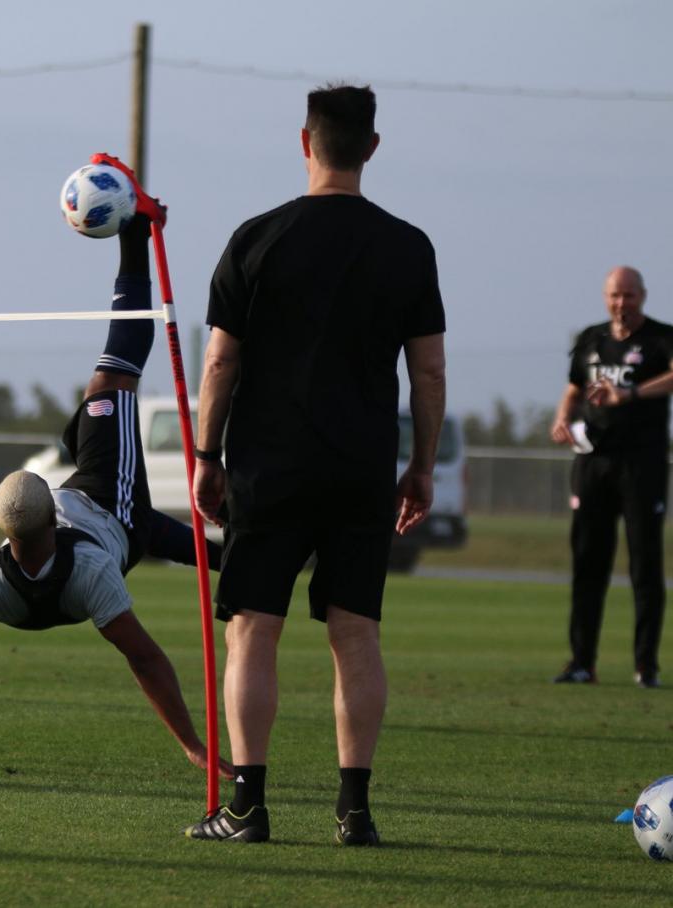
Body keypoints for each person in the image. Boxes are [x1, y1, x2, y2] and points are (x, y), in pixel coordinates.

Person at [0, 204, 232, 780]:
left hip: (99, 511)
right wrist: (194, 748)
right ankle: (134, 232)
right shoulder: (88, 572)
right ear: (51, 518)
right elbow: (146, 658)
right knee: (115, 374)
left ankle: (241, 552)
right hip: (111, 510)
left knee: (203, 546)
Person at [184, 84, 446, 846]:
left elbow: (220, 360)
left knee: (253, 631)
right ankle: (354, 813)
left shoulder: (256, 237)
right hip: (362, 466)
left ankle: (247, 809)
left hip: (270, 464)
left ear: (306, 143)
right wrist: (421, 466)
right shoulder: (408, 245)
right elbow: (428, 372)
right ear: (370, 147)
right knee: (355, 633)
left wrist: (206, 455)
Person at [550, 266, 673, 690]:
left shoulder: (661, 337)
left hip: (642, 465)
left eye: (630, 296)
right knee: (587, 564)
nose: (622, 304)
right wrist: (562, 419)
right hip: (592, 463)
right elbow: (573, 387)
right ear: (606, 296)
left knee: (645, 566)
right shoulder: (591, 338)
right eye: (615, 296)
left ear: (643, 295)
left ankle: (646, 667)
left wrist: (630, 393)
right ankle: (582, 662)